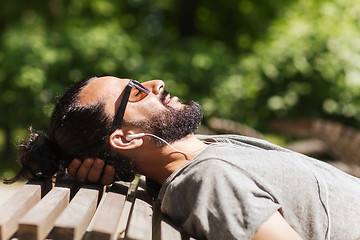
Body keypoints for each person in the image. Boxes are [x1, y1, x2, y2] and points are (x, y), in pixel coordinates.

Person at [6, 76, 360, 240]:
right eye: (136, 90)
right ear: (126, 136)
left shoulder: (188, 162)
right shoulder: (209, 180)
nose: (156, 83)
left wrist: (113, 166)